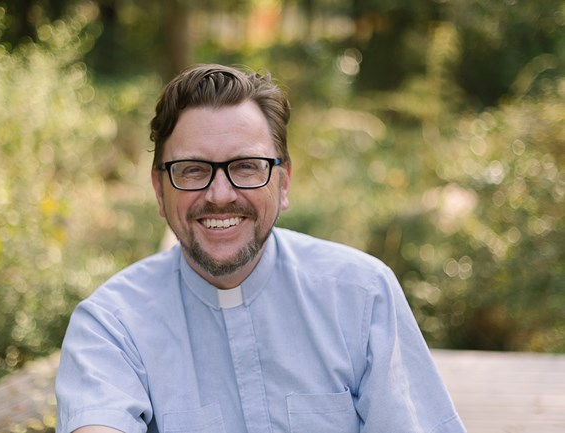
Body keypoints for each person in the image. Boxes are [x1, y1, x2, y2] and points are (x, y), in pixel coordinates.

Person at [55, 64, 466, 433]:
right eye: (192, 170)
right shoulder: (110, 326)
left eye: (246, 166)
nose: (219, 194)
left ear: (283, 184)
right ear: (159, 191)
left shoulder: (362, 296)